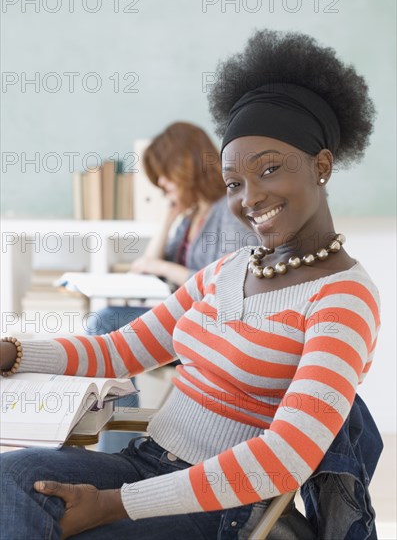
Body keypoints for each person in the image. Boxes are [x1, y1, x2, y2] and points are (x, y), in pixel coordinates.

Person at [0, 29, 382, 540]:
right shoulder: (228, 270)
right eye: (234, 183)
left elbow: (286, 457)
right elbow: (117, 350)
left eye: (269, 169)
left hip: (224, 505)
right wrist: (14, 353)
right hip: (146, 462)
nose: (250, 197)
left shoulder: (343, 298)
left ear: (321, 165)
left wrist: (112, 505)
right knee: (10, 479)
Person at [88, 122, 253, 453]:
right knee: (104, 323)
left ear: (186, 166)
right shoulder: (193, 217)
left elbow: (230, 280)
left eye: (165, 175)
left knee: (107, 322)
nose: (162, 184)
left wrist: (162, 268)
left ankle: (117, 451)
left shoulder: (229, 210)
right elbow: (145, 264)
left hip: (212, 332)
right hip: (183, 325)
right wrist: (168, 216)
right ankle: (116, 444)